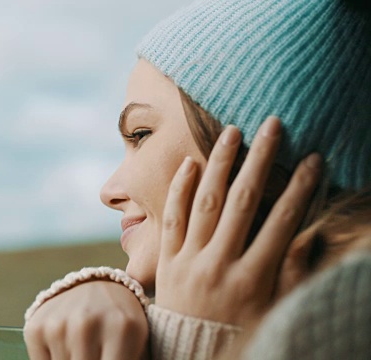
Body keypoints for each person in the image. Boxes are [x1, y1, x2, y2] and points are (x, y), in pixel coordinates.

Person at [23, 0, 371, 359]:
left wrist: (195, 339)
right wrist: (107, 293)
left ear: (251, 157)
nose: (108, 192)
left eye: (140, 134)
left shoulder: (348, 314)